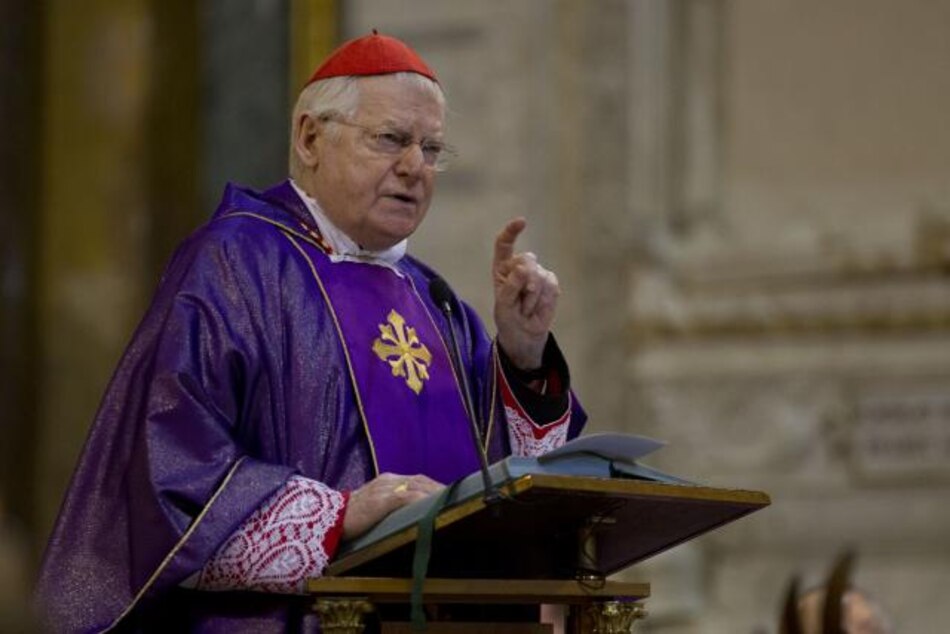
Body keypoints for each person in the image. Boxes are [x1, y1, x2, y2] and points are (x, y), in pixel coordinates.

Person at [34, 31, 585, 633]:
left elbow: (504, 495)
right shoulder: (235, 265)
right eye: (391, 139)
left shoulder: (435, 300)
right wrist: (340, 514)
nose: (415, 167)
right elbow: (168, 488)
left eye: (431, 148)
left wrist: (524, 355)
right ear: (310, 138)